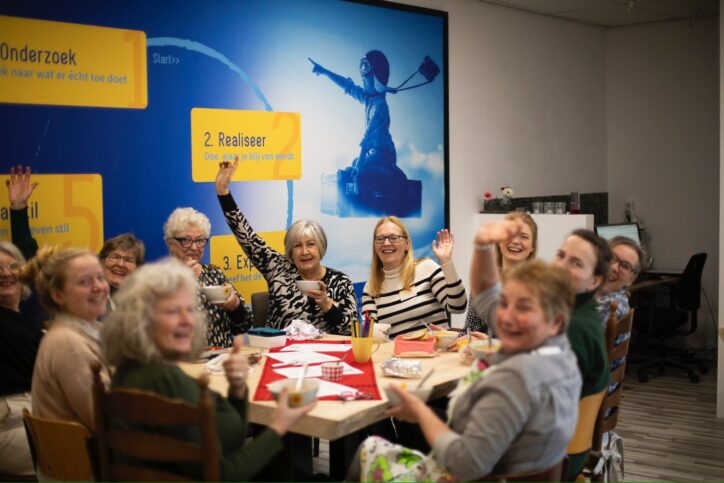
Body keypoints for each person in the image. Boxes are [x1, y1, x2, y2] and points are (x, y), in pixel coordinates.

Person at [349, 261, 581, 481]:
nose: (506, 317)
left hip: (469, 475)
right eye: (504, 304)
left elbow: (465, 463)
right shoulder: (564, 361)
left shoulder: (513, 379)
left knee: (369, 448)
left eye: (524, 308)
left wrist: (421, 411)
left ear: (556, 322)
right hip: (517, 465)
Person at [100, 258, 315, 481]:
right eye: (173, 312)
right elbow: (222, 474)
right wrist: (280, 425)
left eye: (190, 310)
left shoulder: (130, 371)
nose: (187, 321)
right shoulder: (168, 382)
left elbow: (226, 439)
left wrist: (237, 388)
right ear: (141, 320)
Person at [470, 223, 611, 479]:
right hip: (567, 450)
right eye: (560, 255)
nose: (561, 266)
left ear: (595, 280)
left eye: (576, 263)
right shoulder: (577, 313)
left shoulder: (572, 328)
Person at [215, 159, 357, 334]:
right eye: (297, 246)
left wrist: (327, 305)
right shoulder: (277, 268)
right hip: (279, 354)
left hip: (327, 358)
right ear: (290, 250)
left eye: (311, 245)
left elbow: (352, 331)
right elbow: (246, 236)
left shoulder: (340, 281)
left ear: (321, 248)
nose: (304, 251)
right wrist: (223, 193)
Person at [24, 247, 112, 431]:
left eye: (100, 277)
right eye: (84, 281)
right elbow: (106, 421)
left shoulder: (89, 330)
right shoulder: (68, 345)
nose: (98, 287)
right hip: (87, 457)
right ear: (58, 295)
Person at [361, 216, 467, 337]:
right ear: (375, 246)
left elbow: (458, 307)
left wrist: (446, 261)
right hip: (396, 354)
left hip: (436, 352)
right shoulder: (371, 287)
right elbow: (368, 334)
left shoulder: (426, 268)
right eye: (380, 238)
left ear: (407, 243)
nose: (386, 243)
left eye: (393, 238)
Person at [164, 207, 250, 347]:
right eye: (186, 240)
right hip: (182, 360)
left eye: (200, 241)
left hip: (220, 358)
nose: (194, 247)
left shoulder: (214, 274)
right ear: (170, 243)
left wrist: (235, 306)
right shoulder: (160, 279)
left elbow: (243, 326)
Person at [0, 242, 42, 476]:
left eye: (13, 266)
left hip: (38, 413)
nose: (6, 273)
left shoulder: (27, 322)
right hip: (10, 422)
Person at [463, 211, 537, 334]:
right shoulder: (485, 282)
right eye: (510, 235)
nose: (515, 241)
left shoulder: (540, 286)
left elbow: (537, 340)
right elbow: (469, 331)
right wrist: (451, 340)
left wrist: (492, 344)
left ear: (532, 246)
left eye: (523, 237)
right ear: (499, 240)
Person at [596, 236, 646, 323]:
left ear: (631, 279)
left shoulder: (611, 307)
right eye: (611, 258)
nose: (614, 267)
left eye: (625, 266)